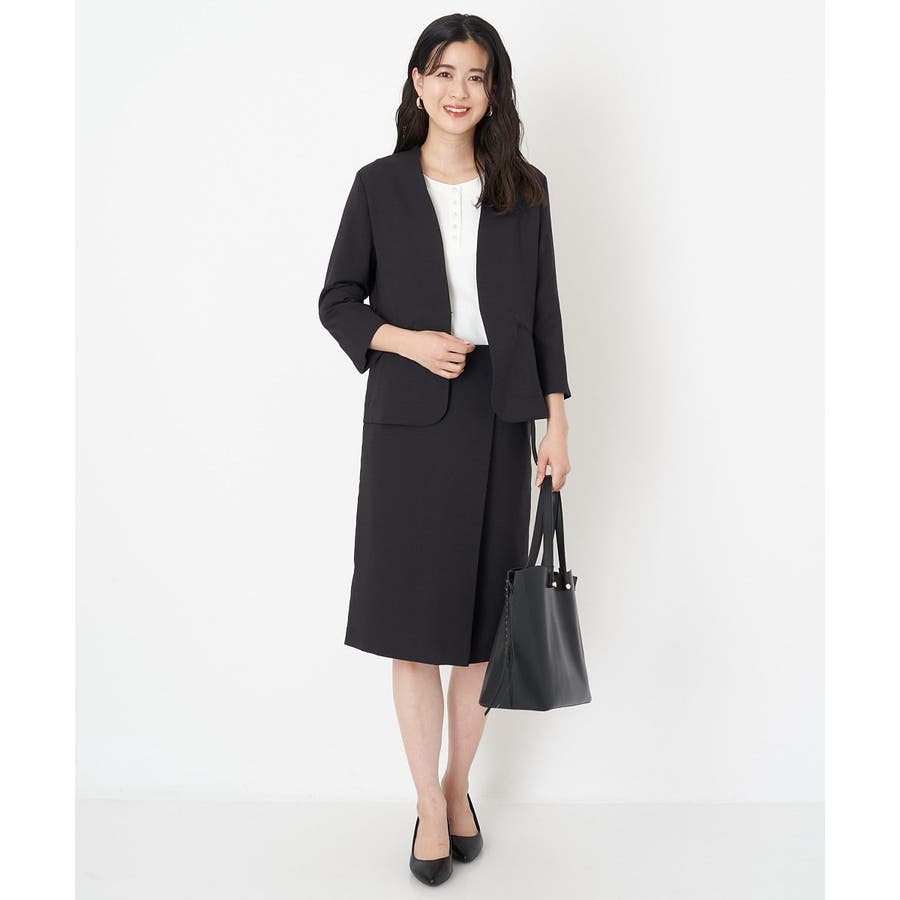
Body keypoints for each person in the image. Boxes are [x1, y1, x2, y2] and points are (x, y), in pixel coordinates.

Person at [318, 13, 572, 887]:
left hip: (500, 417)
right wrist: (408, 341)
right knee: (414, 626)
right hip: (409, 422)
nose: (459, 90)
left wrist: (558, 423)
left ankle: (459, 785)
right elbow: (337, 299)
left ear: (493, 90)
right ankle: (427, 803)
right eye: (444, 72)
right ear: (417, 83)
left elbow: (543, 314)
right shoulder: (378, 185)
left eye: (476, 75)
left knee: (483, 632)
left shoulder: (524, 189)